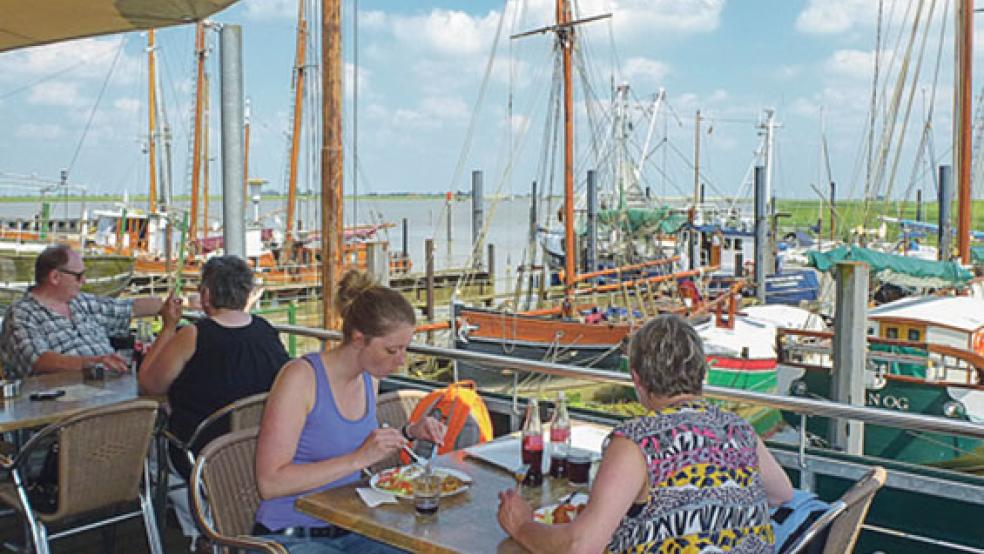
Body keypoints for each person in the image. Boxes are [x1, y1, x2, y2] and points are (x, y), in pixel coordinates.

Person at [497, 314, 793, 554]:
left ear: (637, 379)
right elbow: (782, 493)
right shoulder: (738, 429)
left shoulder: (637, 442)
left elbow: (581, 546)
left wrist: (521, 525)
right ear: (703, 373)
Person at [254, 270, 446, 553]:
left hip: (353, 526)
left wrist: (409, 432)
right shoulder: (301, 378)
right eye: (392, 350)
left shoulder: (370, 377)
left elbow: (350, 443)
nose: (402, 361)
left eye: (405, 349)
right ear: (358, 339)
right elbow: (269, 483)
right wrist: (358, 459)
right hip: (291, 535)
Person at [139, 254, 291, 550]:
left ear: (206, 294)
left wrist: (168, 326)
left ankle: (201, 528)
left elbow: (149, 384)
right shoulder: (265, 331)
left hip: (202, 451)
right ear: (246, 293)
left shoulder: (193, 335)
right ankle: (217, 522)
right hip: (257, 445)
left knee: (151, 455)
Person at [0, 244, 171, 377]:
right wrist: (93, 362)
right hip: (60, 400)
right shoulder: (22, 314)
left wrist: (166, 307)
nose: (84, 281)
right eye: (79, 276)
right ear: (55, 277)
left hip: (107, 386)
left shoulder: (81, 302)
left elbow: (129, 308)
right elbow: (38, 360)